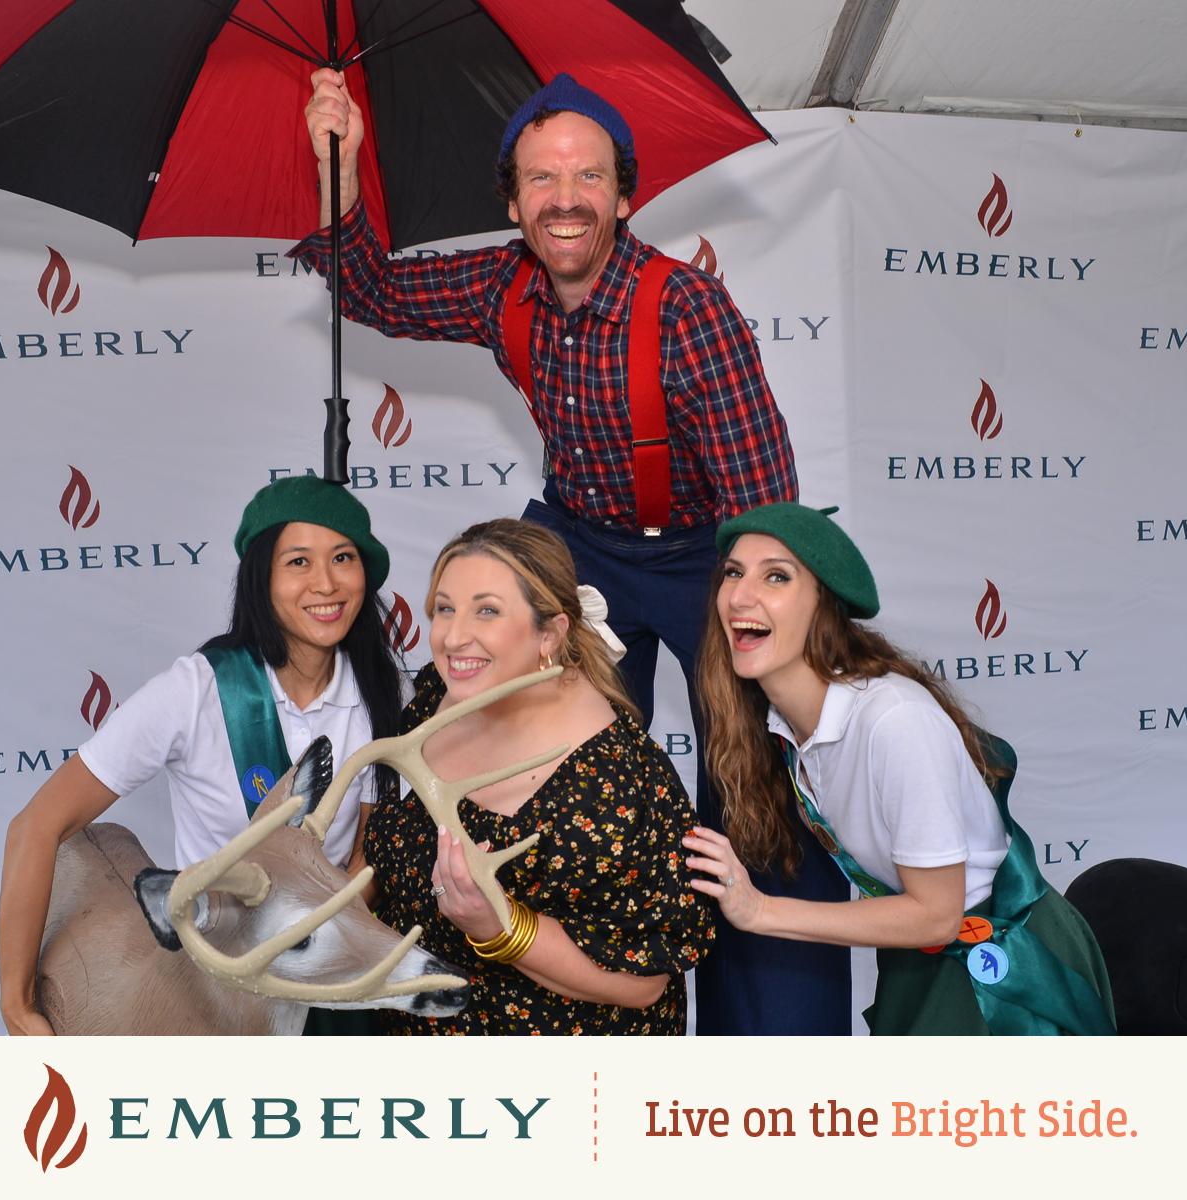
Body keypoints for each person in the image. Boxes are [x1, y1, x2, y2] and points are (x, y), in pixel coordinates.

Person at [300, 68, 848, 1035]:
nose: (563, 199)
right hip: (579, 538)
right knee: (506, 726)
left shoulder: (685, 312)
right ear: (512, 201)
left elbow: (763, 511)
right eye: (540, 181)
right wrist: (335, 179)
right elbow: (372, 289)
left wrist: (759, 632)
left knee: (752, 795)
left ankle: (772, 1059)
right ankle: (513, 983)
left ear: (625, 196)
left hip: (699, 551)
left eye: (587, 178)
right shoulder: (501, 283)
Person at [684, 503, 1116, 1035]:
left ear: (824, 606)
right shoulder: (784, 725)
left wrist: (759, 911)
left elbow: (937, 913)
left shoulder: (894, 720)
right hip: (921, 957)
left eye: (776, 576)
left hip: (1012, 967)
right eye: (733, 573)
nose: (740, 596)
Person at [0, 476, 406, 1035]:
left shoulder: (384, 694)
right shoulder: (197, 692)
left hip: (330, 972)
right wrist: (17, 1004)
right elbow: (35, 827)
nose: (326, 583)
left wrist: (340, 932)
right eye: (298, 562)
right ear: (261, 577)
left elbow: (370, 844)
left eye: (343, 558)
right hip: (214, 987)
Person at [363, 518, 713, 1034]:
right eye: (444, 608)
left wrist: (498, 926)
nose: (455, 636)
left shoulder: (612, 785)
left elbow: (643, 983)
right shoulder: (445, 693)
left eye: (487, 611)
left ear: (549, 632)